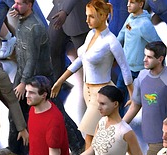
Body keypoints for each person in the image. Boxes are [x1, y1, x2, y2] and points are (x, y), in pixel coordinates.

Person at [50, 0, 133, 137]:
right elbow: (79, 60)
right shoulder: (90, 35)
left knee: (89, 136)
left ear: (103, 16)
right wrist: (60, 81)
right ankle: (130, 153)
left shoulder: (111, 41)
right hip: (87, 91)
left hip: (101, 92)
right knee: (107, 133)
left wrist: (132, 93)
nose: (87, 20)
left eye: (91, 16)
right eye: (87, 16)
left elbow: (125, 68)